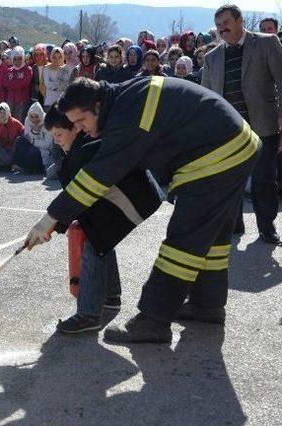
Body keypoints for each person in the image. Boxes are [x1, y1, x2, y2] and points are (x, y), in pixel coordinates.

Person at [26, 76, 260, 344]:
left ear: (98, 107)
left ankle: (154, 321)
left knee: (182, 244)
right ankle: (206, 305)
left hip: (216, 156)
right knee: (212, 239)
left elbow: (99, 175)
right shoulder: (127, 98)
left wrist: (51, 218)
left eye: (81, 121)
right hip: (235, 145)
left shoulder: (127, 115)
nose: (80, 129)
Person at [42, 105, 162, 333]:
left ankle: (88, 314)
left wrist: (51, 223)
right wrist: (55, 224)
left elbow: (76, 198)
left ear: (74, 129)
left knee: (95, 240)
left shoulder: (82, 153)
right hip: (141, 195)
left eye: (59, 134)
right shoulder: (81, 147)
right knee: (101, 234)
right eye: (53, 136)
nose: (56, 141)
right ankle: (110, 296)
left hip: (135, 198)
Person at [202, 4, 282, 243]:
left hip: (263, 125)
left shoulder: (266, 43)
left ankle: (266, 228)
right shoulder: (211, 57)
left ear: (240, 21)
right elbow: (206, 98)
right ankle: (234, 224)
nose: (221, 29)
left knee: (263, 180)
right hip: (228, 131)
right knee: (229, 180)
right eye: (218, 26)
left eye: (226, 23)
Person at [12, 102, 53, 176]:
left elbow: (48, 144)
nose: (34, 119)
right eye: (32, 116)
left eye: (36, 116)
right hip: (34, 146)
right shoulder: (27, 119)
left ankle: (33, 168)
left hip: (44, 151)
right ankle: (18, 164)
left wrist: (34, 141)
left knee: (34, 150)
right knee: (19, 140)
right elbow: (27, 137)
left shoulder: (47, 120)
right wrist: (34, 132)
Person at [2, 46, 32, 123]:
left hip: (22, 100)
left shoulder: (27, 70)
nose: (17, 61)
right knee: (9, 120)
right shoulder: (9, 70)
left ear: (23, 58)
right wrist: (17, 82)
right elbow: (6, 84)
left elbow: (24, 83)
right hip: (10, 100)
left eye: (19, 59)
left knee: (19, 121)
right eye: (15, 59)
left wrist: (13, 83)